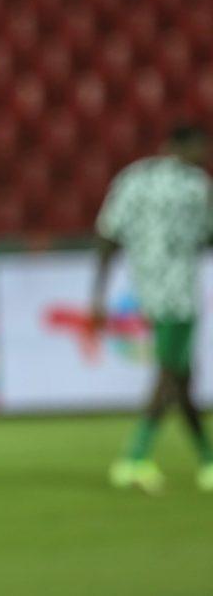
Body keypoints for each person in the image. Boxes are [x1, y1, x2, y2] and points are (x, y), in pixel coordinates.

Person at [92, 124, 213, 493]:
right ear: (183, 146)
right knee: (169, 375)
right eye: (200, 147)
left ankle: (208, 462)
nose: (203, 154)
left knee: (180, 378)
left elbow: (108, 236)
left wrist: (96, 296)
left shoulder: (132, 179)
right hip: (178, 293)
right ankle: (133, 458)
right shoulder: (195, 185)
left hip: (147, 289)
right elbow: (208, 236)